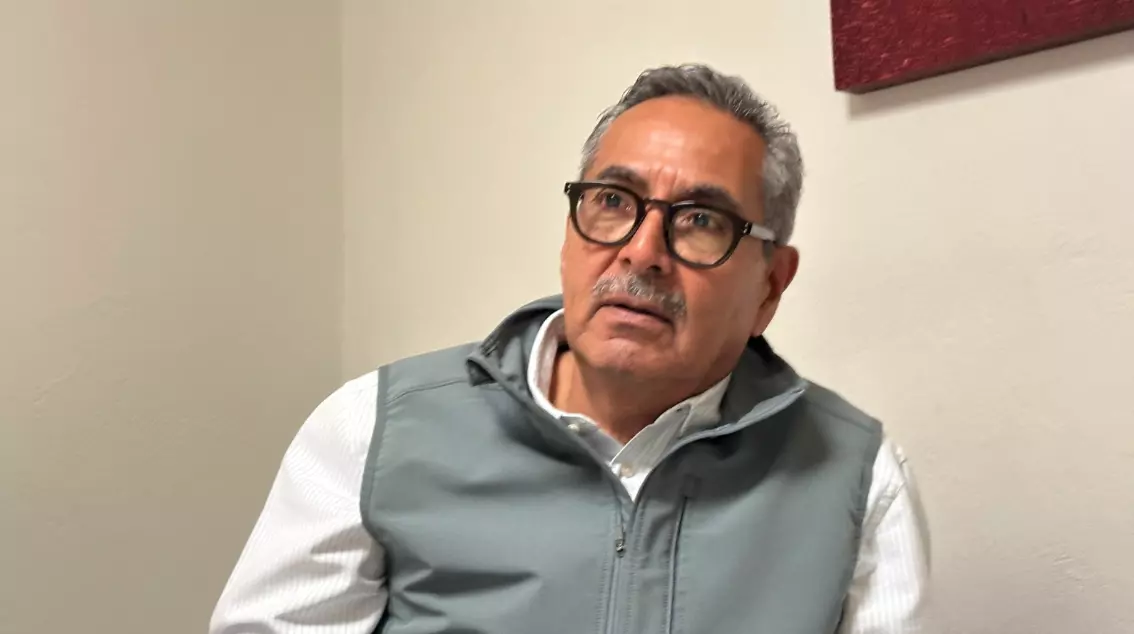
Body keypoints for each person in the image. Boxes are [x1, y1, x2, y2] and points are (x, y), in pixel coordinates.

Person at [210, 63, 930, 634]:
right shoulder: (373, 431)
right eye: (613, 201)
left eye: (700, 219)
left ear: (770, 285)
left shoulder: (857, 478)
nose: (642, 252)